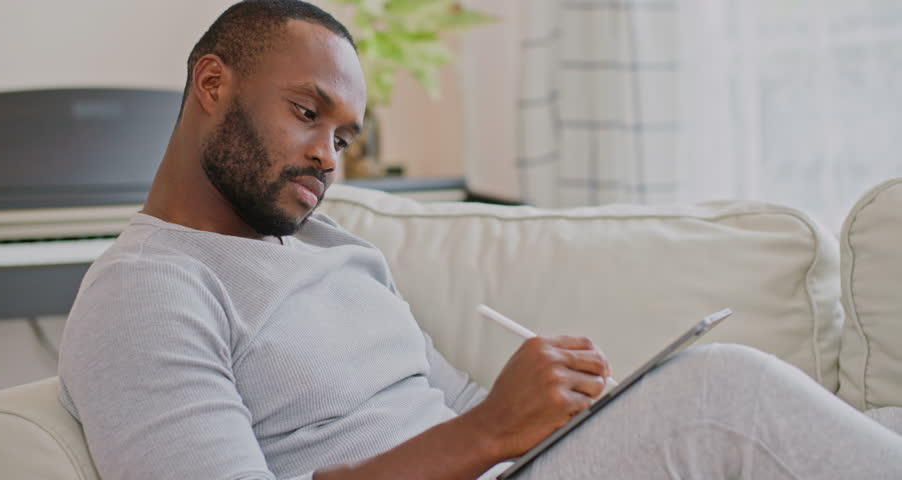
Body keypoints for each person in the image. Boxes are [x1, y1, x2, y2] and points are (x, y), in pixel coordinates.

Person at [57, 1, 902, 479]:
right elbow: (473, 429)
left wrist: (553, 409)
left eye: (344, 138)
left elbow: (451, 406)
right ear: (212, 83)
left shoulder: (333, 250)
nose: (327, 156)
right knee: (727, 394)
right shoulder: (149, 288)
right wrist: (493, 430)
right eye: (308, 113)